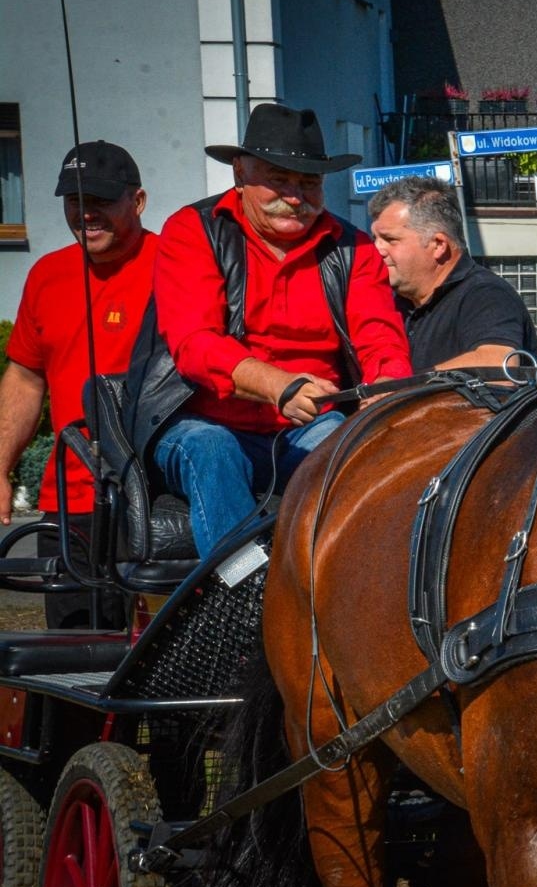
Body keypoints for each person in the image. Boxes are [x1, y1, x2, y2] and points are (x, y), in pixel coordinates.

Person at [147, 104, 409, 558]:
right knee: (213, 449)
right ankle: (233, 596)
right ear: (240, 174)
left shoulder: (355, 247)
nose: (294, 196)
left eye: (308, 182)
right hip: (200, 419)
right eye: (279, 178)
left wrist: (386, 388)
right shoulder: (194, 231)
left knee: (355, 448)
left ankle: (352, 587)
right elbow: (194, 344)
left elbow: (380, 337)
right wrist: (278, 384)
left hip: (308, 423)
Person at [0, 142, 155, 627]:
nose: (85, 213)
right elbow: (25, 379)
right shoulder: (47, 275)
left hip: (157, 497)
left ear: (139, 201)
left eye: (102, 201)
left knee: (164, 664)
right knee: (73, 659)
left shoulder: (176, 266)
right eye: (73, 201)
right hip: (70, 502)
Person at [366, 176, 537, 372]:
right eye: (375, 239)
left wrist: (403, 388)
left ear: (439, 244)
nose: (376, 249)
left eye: (390, 239)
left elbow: (498, 366)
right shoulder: (393, 304)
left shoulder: (485, 294)